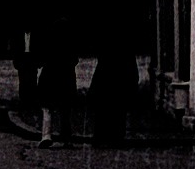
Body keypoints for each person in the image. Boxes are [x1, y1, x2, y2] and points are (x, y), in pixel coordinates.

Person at [88, 25, 140, 145]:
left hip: (106, 82)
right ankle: (115, 137)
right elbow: (131, 66)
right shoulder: (126, 48)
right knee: (118, 111)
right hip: (119, 82)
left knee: (104, 110)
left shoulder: (105, 49)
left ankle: (102, 137)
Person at [36, 12, 78, 146]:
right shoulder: (70, 43)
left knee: (47, 108)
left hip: (50, 75)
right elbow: (74, 60)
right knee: (65, 109)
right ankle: (66, 138)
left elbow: (41, 58)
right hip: (66, 76)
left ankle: (46, 135)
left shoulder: (49, 40)